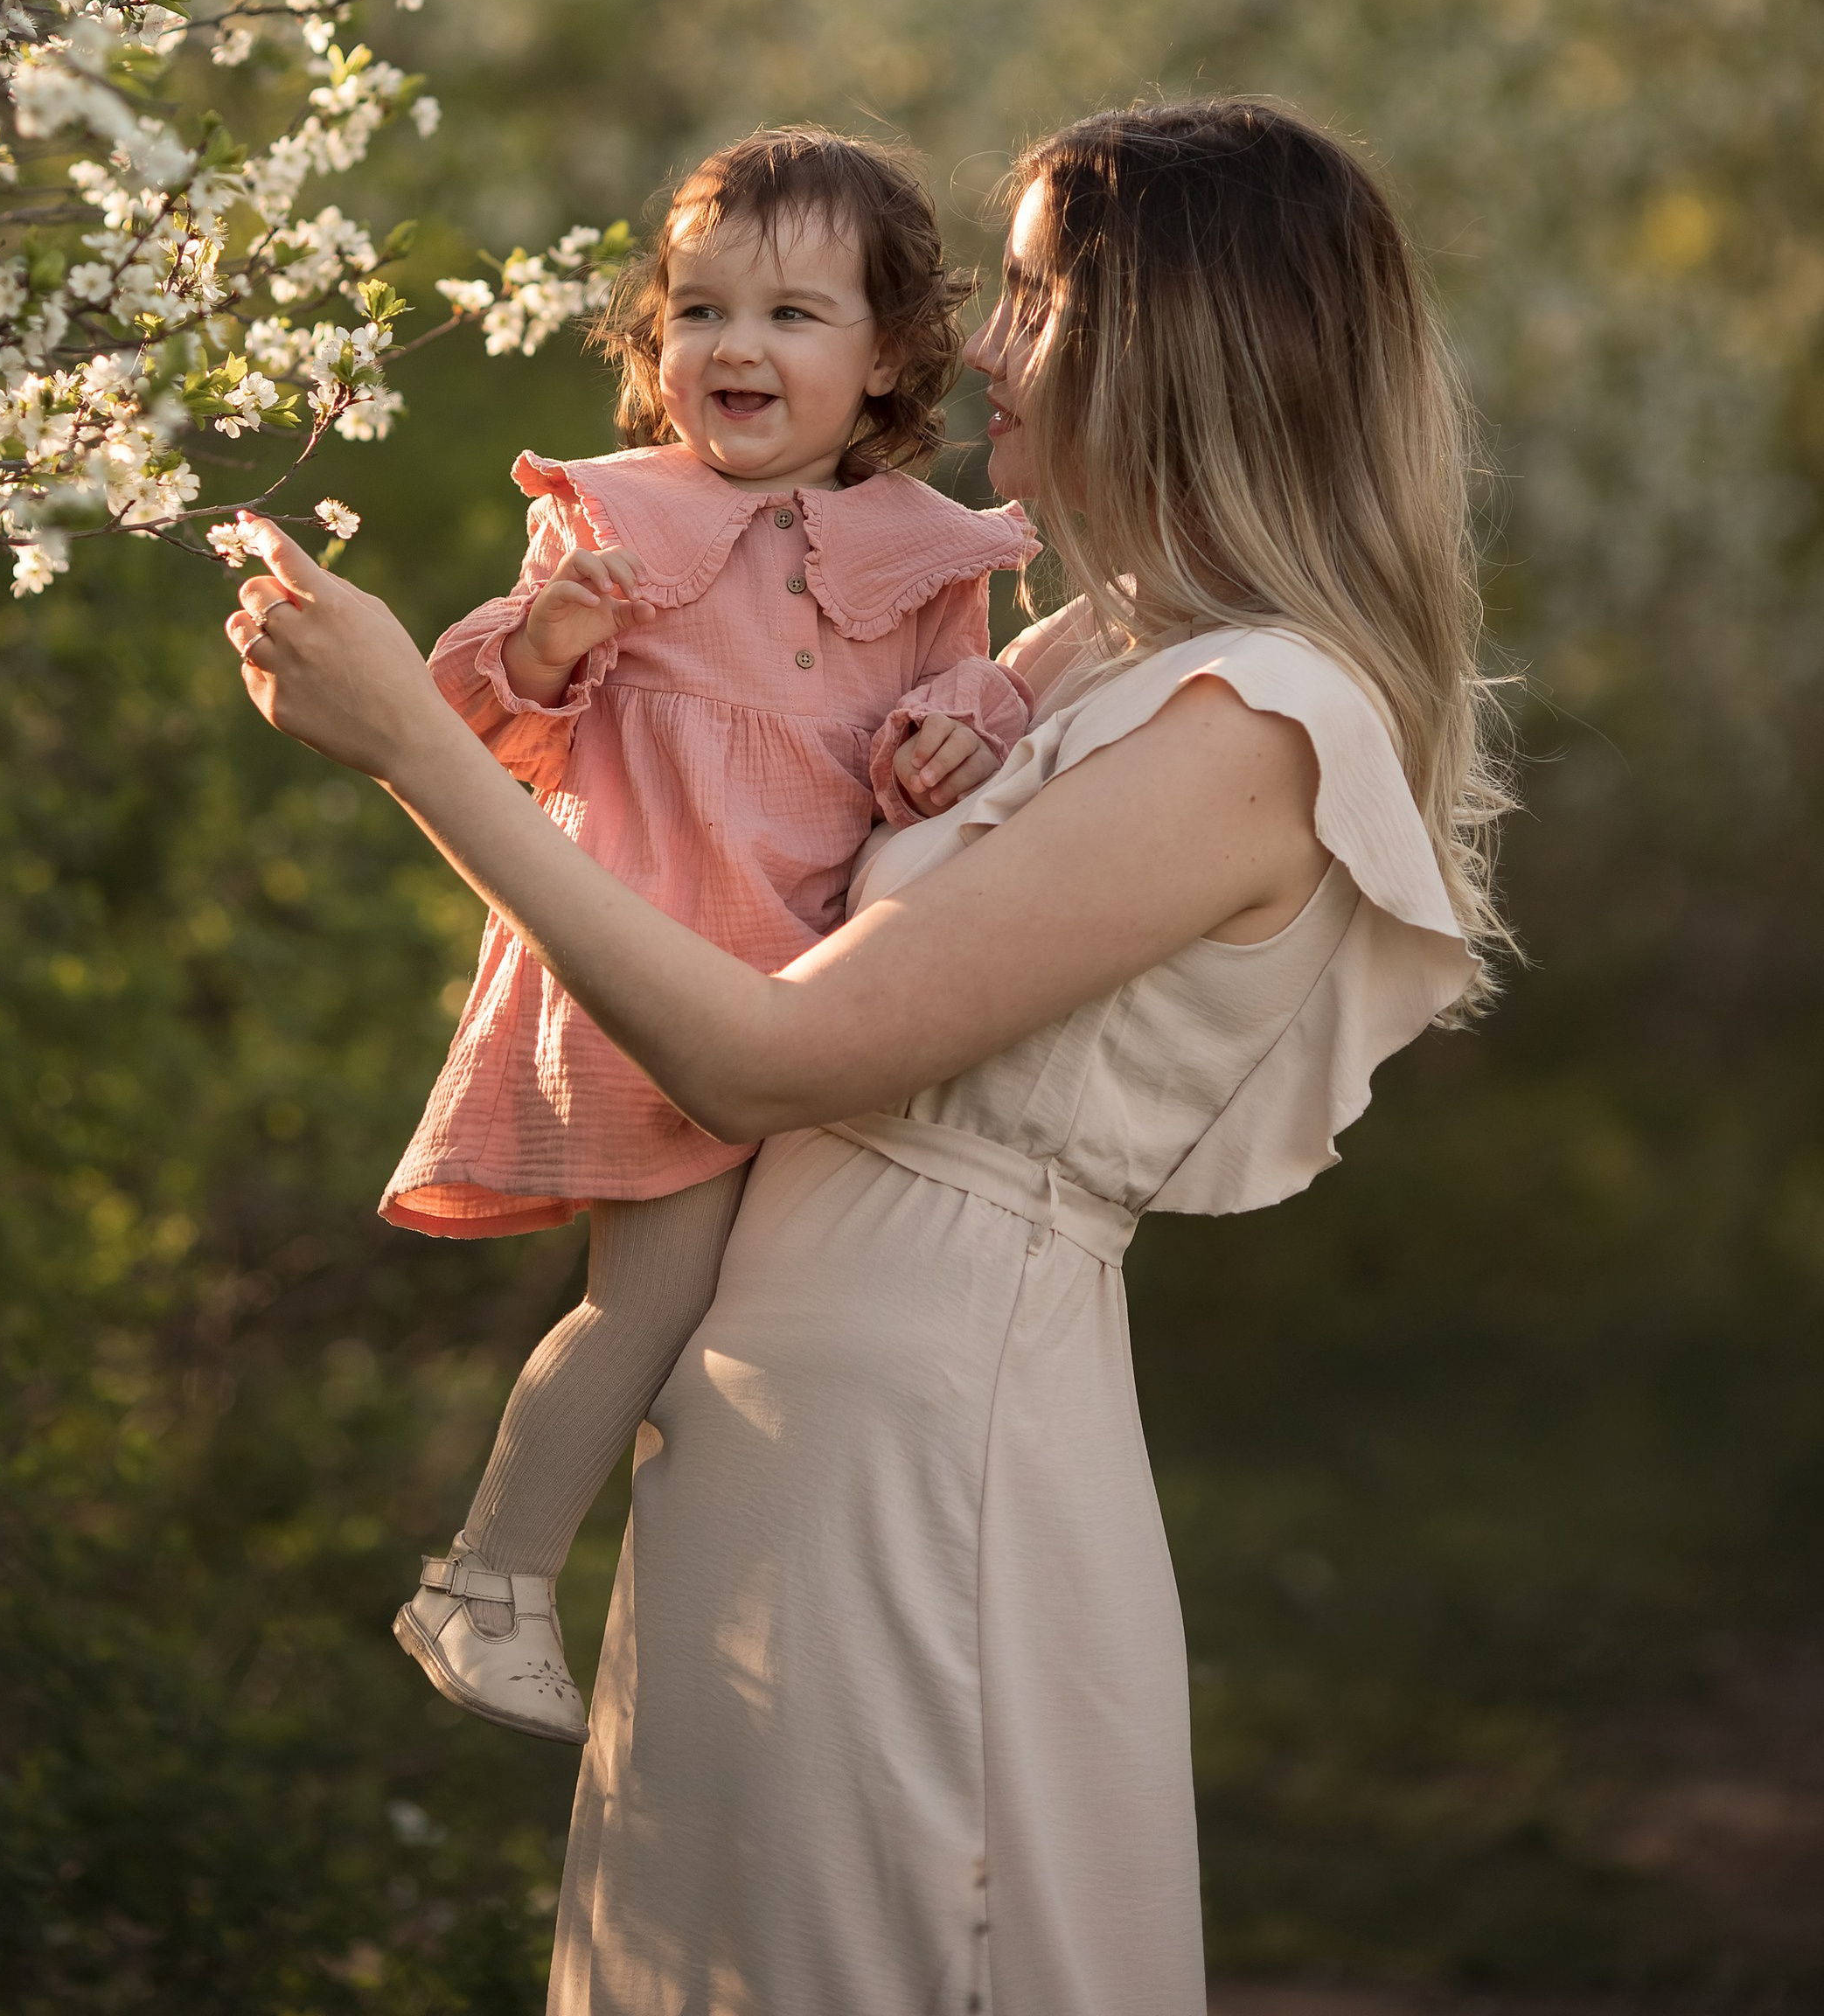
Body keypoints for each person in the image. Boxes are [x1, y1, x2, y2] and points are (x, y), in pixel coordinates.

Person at [224, 97, 1511, 2015]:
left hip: (926, 1435)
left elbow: (765, 1058)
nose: (985, 344)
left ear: (1178, 342)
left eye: (1031, 292)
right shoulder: (1103, 643)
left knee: (889, 1948)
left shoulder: (1257, 716)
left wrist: (416, 745)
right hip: (772, 1398)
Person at [379, 129, 1034, 1737]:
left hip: (824, 989)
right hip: (657, 980)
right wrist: (547, 641)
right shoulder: (607, 523)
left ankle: (763, 1641)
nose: (734, 346)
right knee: (655, 1300)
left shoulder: (934, 555)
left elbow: (964, 699)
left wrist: (964, 719)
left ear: (887, 360)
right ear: (652, 333)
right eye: (699, 309)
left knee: (776, 1320)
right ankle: (488, 1576)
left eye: (793, 316)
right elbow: (483, 729)